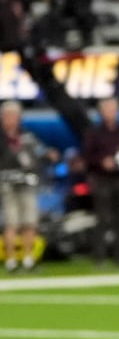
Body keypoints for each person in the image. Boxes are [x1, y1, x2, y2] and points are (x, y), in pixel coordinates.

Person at [83, 97, 119, 267]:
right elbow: (86, 156)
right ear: (101, 112)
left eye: (114, 110)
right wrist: (101, 161)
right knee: (103, 218)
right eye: (108, 109)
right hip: (101, 179)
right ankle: (99, 257)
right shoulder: (93, 133)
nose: (111, 113)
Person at [1, 100, 53, 272]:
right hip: (7, 183)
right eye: (8, 115)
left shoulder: (26, 136)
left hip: (27, 182)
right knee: (11, 222)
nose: (11, 119)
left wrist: (49, 154)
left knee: (30, 221)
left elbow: (40, 152)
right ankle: (11, 260)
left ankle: (29, 258)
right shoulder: (2, 139)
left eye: (14, 115)